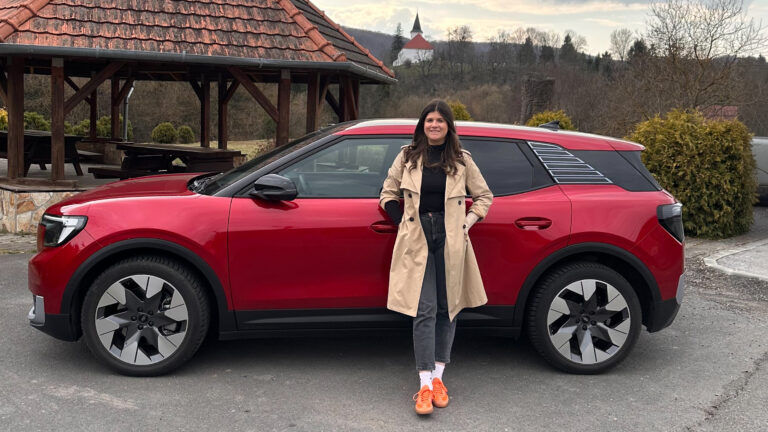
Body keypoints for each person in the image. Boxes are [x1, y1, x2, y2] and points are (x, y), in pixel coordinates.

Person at [379, 99, 493, 415]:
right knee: (423, 309)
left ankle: (439, 378)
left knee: (448, 306)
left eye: (440, 120)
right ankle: (424, 384)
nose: (434, 125)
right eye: (429, 120)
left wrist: (467, 223)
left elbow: (484, 197)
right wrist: (402, 222)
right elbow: (387, 194)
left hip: (451, 237)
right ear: (422, 125)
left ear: (448, 126)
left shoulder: (461, 159)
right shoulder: (407, 156)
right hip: (417, 237)